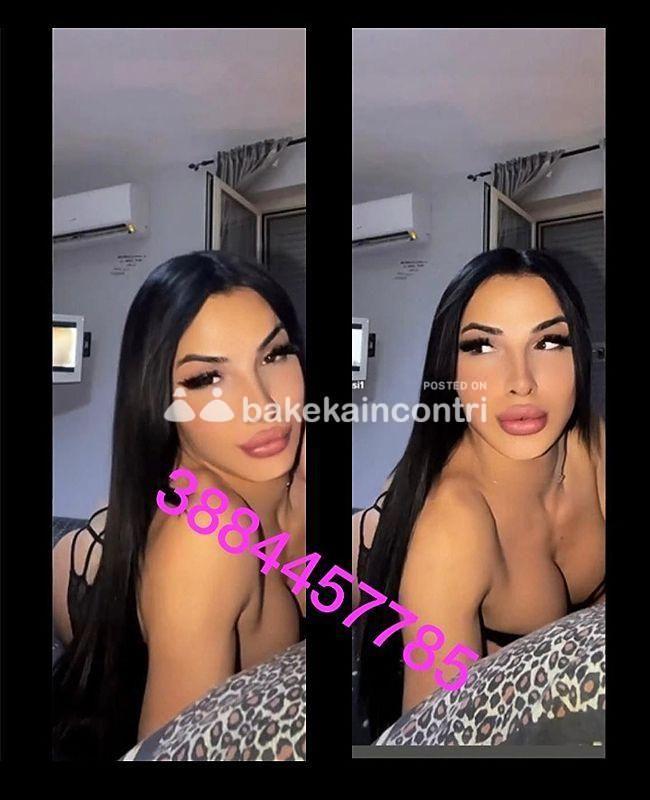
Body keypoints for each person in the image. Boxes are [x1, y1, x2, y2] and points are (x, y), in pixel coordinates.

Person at [53, 250, 306, 761]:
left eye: (274, 354)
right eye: (206, 378)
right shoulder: (207, 541)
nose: (262, 403)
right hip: (90, 595)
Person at [353, 248, 605, 742]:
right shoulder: (452, 530)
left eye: (549, 341)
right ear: (448, 369)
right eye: (483, 347)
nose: (521, 383)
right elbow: (429, 737)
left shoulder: (591, 444)